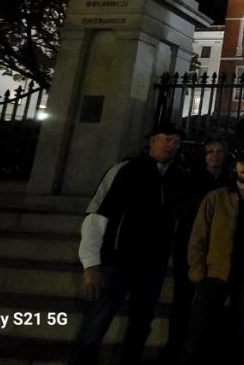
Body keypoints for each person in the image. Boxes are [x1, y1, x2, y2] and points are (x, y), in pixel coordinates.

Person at [69, 123, 187, 365]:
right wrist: (91, 263)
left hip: (154, 264)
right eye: (166, 139)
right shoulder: (126, 170)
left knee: (141, 323)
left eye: (176, 142)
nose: (171, 145)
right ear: (153, 140)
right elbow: (97, 215)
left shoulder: (178, 177)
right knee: (97, 320)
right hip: (118, 260)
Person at [185, 148, 244, 365]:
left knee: (240, 328)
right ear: (234, 167)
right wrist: (198, 270)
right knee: (200, 328)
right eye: (243, 163)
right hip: (215, 271)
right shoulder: (215, 197)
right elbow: (199, 235)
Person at [165, 138, 231, 363]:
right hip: (190, 243)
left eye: (219, 151)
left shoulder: (229, 180)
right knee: (182, 298)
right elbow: (178, 208)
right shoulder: (190, 179)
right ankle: (176, 346)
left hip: (218, 249)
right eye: (210, 151)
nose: (214, 155)